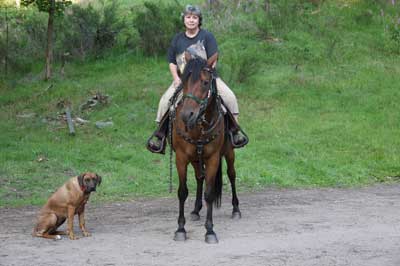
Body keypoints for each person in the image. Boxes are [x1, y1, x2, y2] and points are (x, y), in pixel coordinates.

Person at [147, 4, 248, 154]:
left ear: (199, 20)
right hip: (184, 80)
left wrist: (209, 75)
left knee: (230, 97)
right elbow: (172, 62)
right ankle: (160, 137)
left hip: (206, 78)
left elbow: (214, 59)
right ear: (184, 20)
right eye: (188, 17)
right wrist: (176, 78)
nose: (191, 20)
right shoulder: (177, 39)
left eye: (195, 17)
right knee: (164, 102)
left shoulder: (207, 36)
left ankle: (235, 132)